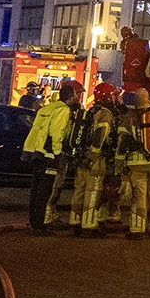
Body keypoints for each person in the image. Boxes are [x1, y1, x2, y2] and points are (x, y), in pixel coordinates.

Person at [21, 82, 76, 234]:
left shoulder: (47, 108)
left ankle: (33, 222)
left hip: (36, 152)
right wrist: (57, 153)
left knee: (36, 189)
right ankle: (39, 226)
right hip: (49, 154)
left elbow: (37, 129)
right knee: (44, 191)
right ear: (71, 98)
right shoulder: (63, 110)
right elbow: (56, 132)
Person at [114, 89, 150, 240]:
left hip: (137, 164)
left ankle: (137, 230)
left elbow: (122, 142)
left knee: (139, 197)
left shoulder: (129, 117)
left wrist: (119, 162)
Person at [69, 84, 116, 235]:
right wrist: (93, 156)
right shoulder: (105, 115)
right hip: (94, 160)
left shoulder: (90, 111)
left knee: (80, 190)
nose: (115, 98)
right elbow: (100, 137)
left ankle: (75, 221)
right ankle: (89, 224)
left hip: (82, 157)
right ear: (107, 97)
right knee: (93, 190)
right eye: (113, 95)